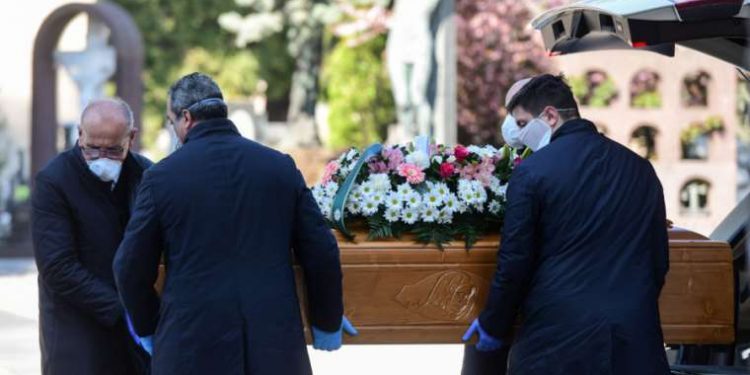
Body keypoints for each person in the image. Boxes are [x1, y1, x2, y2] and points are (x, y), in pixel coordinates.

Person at [113, 72, 355, 375]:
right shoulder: (279, 167)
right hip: (273, 344)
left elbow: (128, 267)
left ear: (185, 118)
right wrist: (326, 322)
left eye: (170, 121)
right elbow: (321, 251)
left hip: (191, 345)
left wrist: (149, 328)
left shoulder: (161, 178)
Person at [463, 74, 670, 374]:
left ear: (549, 115)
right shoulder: (640, 168)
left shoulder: (533, 172)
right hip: (634, 343)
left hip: (557, 346)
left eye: (522, 124)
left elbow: (514, 262)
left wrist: (494, 324)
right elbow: (657, 259)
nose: (520, 137)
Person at [32, 98, 152, 374]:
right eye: (92, 148)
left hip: (134, 333)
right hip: (75, 330)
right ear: (80, 134)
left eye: (113, 150)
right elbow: (57, 266)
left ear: (131, 138)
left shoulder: (145, 174)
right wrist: (121, 309)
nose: (102, 158)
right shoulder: (54, 180)